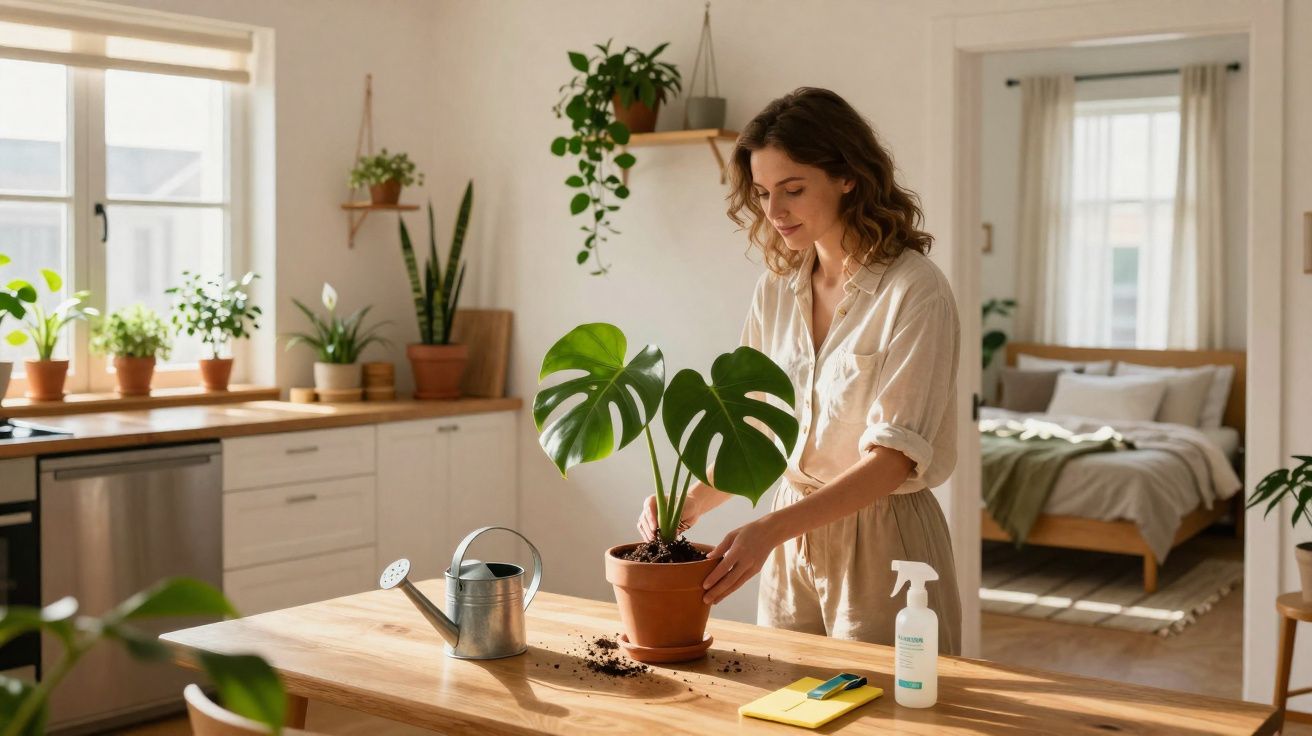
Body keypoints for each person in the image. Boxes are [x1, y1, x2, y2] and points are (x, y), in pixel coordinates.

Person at [636, 87, 962, 654]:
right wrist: (685, 503)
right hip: (788, 542)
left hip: (886, 543)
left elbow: (892, 461)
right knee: (785, 704)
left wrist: (767, 531)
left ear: (848, 177)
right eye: (763, 193)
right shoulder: (777, 290)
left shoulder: (915, 290)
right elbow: (756, 434)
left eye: (793, 189)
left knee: (887, 714)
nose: (774, 212)